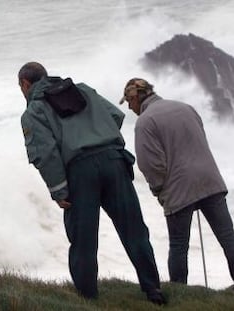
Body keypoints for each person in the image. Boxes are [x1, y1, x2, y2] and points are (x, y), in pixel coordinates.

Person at [18, 62, 165, 305]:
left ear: (25, 84)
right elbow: (116, 115)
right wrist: (98, 136)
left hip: (80, 171)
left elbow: (46, 154)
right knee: (134, 230)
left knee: (84, 240)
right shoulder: (83, 90)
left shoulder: (34, 111)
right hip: (115, 161)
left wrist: (59, 190)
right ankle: (154, 291)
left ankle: (88, 298)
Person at [120, 78, 234, 285]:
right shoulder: (185, 108)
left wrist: (158, 190)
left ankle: (180, 291)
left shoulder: (145, 122)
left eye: (129, 101)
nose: (129, 107)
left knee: (179, 245)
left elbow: (150, 164)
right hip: (211, 180)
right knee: (229, 238)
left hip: (178, 189)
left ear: (136, 97)